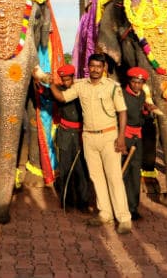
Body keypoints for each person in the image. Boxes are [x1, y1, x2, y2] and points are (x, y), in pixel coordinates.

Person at [49, 53, 132, 234]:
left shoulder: (112, 87)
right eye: (92, 66)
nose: (95, 69)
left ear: (104, 69)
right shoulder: (81, 86)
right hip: (88, 137)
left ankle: (124, 218)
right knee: (96, 177)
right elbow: (62, 98)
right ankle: (105, 213)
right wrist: (50, 84)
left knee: (114, 177)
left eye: (98, 66)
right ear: (88, 67)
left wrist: (121, 138)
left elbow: (123, 112)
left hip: (109, 136)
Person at [53, 64, 93, 213]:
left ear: (73, 77)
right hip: (64, 133)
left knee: (82, 168)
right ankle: (66, 200)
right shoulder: (59, 90)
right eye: (63, 79)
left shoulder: (81, 89)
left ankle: (83, 202)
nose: (65, 82)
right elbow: (45, 93)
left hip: (80, 133)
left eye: (68, 79)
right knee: (64, 168)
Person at [122, 67, 150, 221]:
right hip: (124, 138)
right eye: (134, 82)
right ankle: (121, 206)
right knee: (123, 172)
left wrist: (146, 111)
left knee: (135, 172)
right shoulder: (123, 95)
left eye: (140, 83)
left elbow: (140, 116)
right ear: (129, 81)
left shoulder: (142, 95)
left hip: (137, 138)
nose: (136, 85)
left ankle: (133, 207)